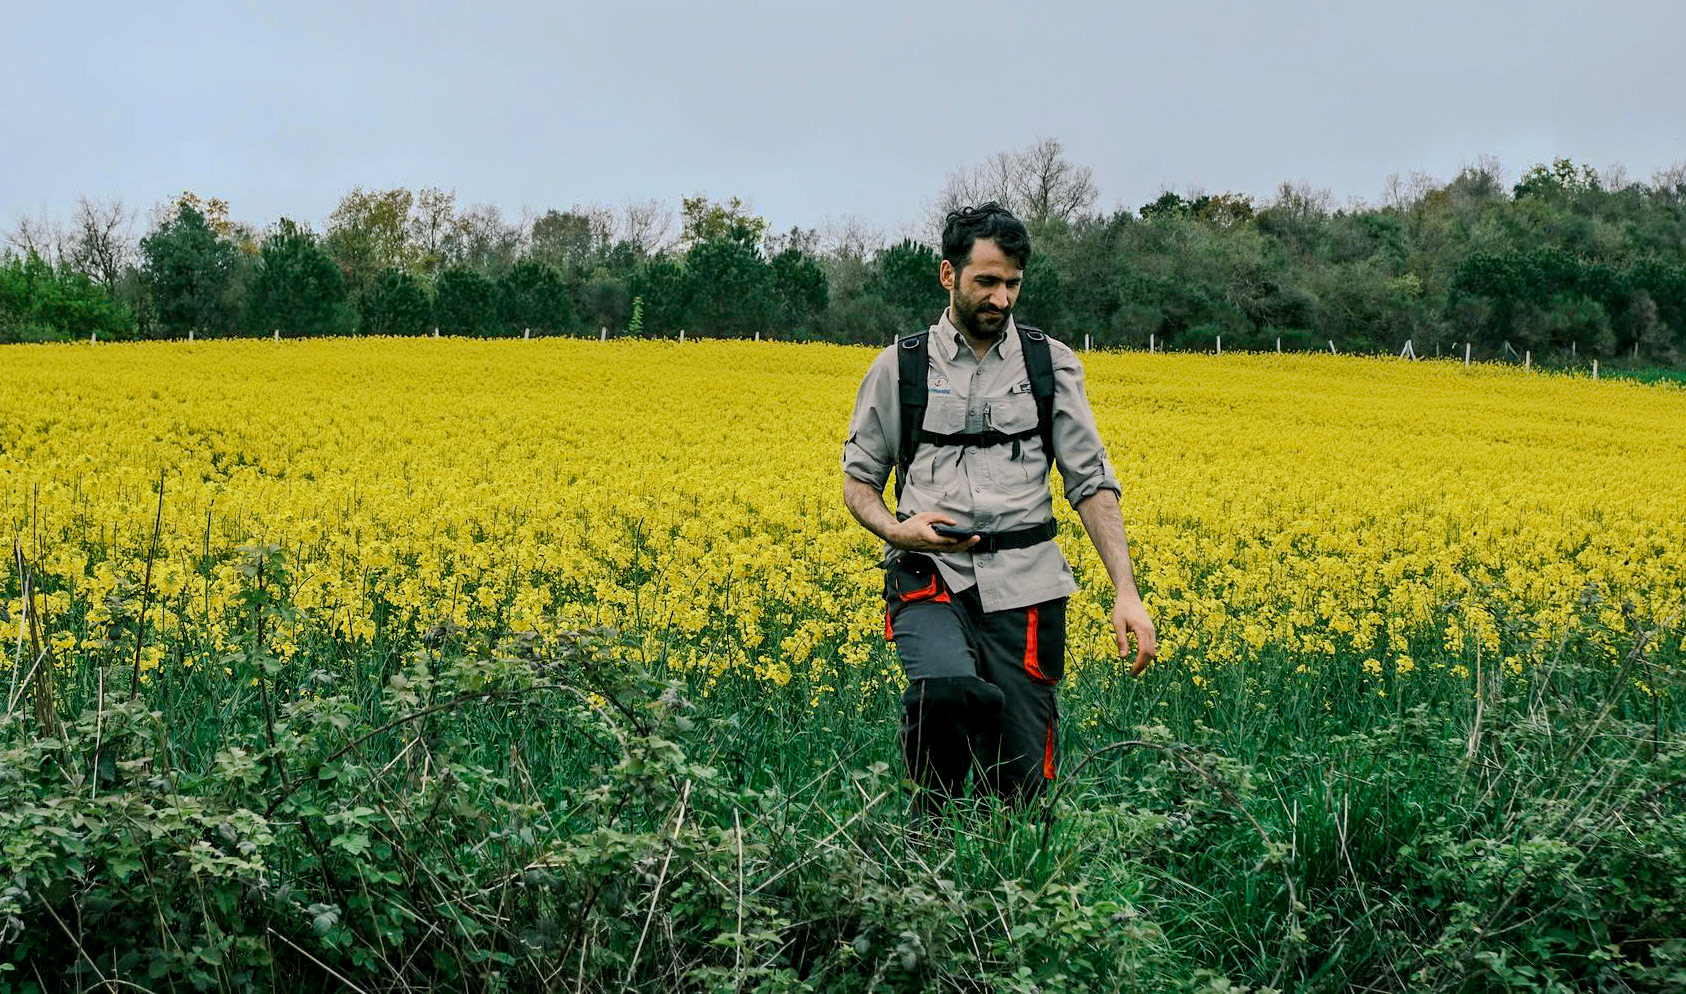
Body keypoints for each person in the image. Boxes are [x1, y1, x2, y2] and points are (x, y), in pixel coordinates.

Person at [840, 202, 1156, 819]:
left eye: (1012, 283)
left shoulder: (1050, 364)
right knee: (946, 692)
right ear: (948, 275)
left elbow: (1090, 481)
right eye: (986, 281)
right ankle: (927, 838)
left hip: (1028, 585)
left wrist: (1127, 590)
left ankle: (1001, 883)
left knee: (1024, 789)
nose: (1001, 297)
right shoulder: (900, 366)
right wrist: (896, 529)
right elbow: (858, 483)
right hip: (932, 577)